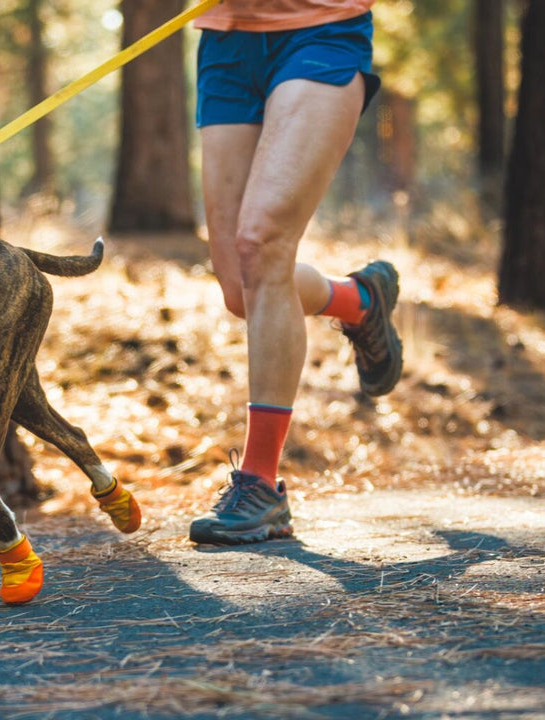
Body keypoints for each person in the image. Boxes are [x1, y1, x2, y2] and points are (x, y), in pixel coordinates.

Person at [187, 0, 403, 545]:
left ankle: (259, 484)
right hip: (226, 43)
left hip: (320, 33)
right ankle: (360, 301)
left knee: (262, 242)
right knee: (241, 286)